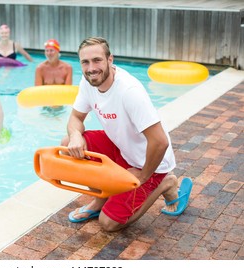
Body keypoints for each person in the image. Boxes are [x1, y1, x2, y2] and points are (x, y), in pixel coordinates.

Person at [63, 37, 185, 232]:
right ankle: (99, 200)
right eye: (85, 62)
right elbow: (75, 118)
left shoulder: (129, 91)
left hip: (148, 162)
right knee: (69, 143)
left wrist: (144, 175)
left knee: (109, 224)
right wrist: (76, 134)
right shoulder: (88, 82)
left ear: (110, 60)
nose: (91, 68)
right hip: (121, 147)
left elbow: (160, 142)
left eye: (97, 60)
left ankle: (165, 182)